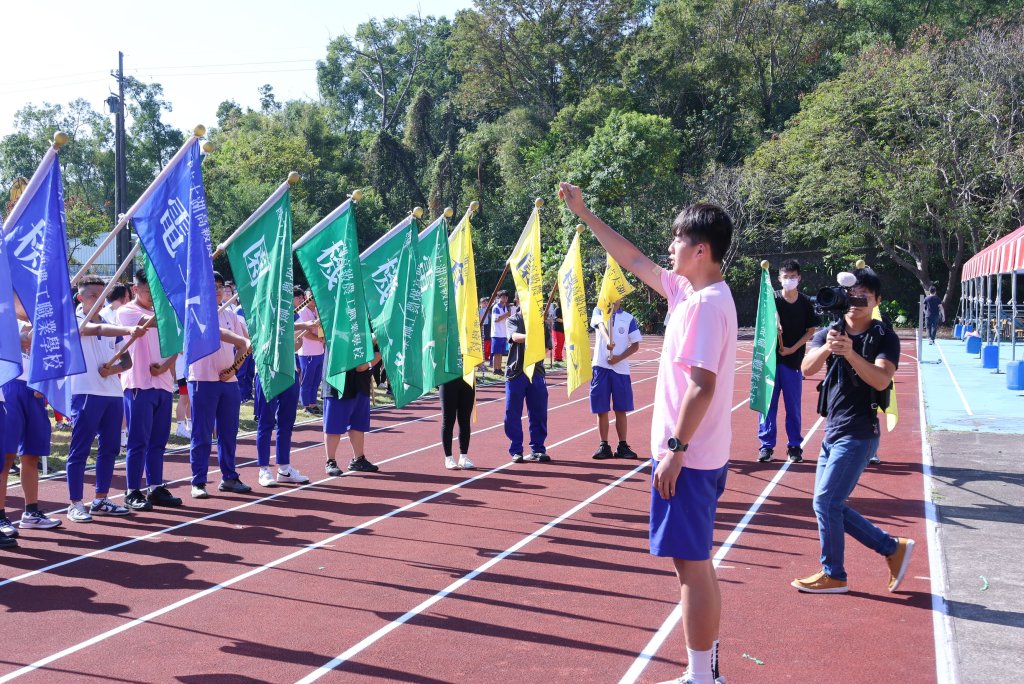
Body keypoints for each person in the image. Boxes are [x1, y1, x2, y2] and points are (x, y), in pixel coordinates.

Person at [562, 182, 736, 684]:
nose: (668, 247)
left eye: (677, 240)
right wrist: (585, 213)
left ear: (700, 249)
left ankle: (702, 676)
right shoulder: (692, 291)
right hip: (700, 454)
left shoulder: (704, 305)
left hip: (691, 457)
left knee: (692, 567)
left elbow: (701, 387)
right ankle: (705, 670)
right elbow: (634, 259)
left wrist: (675, 451)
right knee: (696, 565)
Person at [793, 267, 914, 594]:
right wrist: (829, 348)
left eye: (864, 297)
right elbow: (806, 368)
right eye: (851, 296)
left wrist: (851, 353)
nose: (855, 303)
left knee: (825, 503)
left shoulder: (883, 336)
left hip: (859, 431)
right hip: (832, 431)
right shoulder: (831, 331)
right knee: (827, 504)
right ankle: (892, 548)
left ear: (876, 301)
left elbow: (881, 379)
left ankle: (834, 574)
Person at [65, 276, 144, 522]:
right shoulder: (74, 320)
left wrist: (112, 370)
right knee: (80, 449)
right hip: (85, 392)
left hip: (111, 393)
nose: (98, 301)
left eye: (102, 296)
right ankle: (75, 503)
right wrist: (129, 329)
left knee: (110, 448)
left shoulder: (110, 320)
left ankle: (100, 498)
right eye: (92, 296)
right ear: (80, 298)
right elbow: (96, 329)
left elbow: (127, 361)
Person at [118, 269, 183, 511]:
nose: (153, 297)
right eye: (149, 292)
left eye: (157, 292)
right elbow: (143, 328)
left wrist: (166, 366)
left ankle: (155, 487)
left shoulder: (165, 312)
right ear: (135, 290)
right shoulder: (126, 312)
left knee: (158, 440)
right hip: (139, 384)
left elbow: (177, 343)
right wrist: (167, 307)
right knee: (138, 441)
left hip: (163, 384)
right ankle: (132, 490)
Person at [1, 298, 63, 537]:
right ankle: (1, 515)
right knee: (6, 456)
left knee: (31, 454)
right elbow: (24, 339)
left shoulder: (40, 321)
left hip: (34, 389)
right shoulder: (7, 319)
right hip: (10, 386)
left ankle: (32, 512)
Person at [187, 272, 251, 498]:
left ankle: (229, 477)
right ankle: (198, 481)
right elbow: (217, 334)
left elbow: (245, 346)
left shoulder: (231, 314)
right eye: (211, 286)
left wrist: (233, 369)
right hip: (202, 379)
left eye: (220, 286)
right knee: (202, 433)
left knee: (228, 432)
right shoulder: (194, 312)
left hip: (228, 382)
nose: (216, 290)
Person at [757, 259, 819, 464]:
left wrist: (793, 347)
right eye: (786, 277)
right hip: (771, 362)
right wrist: (774, 322)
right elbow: (764, 322)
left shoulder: (805, 302)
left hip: (793, 362)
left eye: (793, 277)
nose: (790, 280)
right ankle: (766, 446)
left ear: (799, 278)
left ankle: (794, 446)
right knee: (768, 406)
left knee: (793, 407)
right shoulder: (771, 299)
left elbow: (811, 330)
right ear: (779, 279)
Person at [253, 314, 319, 488]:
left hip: (288, 372)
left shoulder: (288, 313)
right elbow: (269, 330)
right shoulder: (263, 310)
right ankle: (264, 469)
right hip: (267, 373)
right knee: (266, 422)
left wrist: (296, 341)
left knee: (286, 422)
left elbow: (296, 345)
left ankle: (284, 468)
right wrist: (304, 324)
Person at [590, 299, 642, 460]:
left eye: (617, 294)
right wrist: (607, 341)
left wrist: (619, 358)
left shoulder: (628, 318)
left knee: (621, 408)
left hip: (620, 370)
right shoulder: (599, 311)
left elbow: (635, 345)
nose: (614, 298)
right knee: (601, 408)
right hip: (601, 367)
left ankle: (623, 445)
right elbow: (600, 326)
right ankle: (603, 445)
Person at [324, 344, 382, 476]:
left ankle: (358, 459)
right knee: (334, 424)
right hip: (338, 379)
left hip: (360, 382)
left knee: (357, 422)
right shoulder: (336, 324)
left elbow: (363, 365)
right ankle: (330, 461)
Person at [504, 298, 549, 464]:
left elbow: (546, 346)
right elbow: (514, 337)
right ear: (517, 301)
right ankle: (516, 450)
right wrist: (532, 336)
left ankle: (538, 448)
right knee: (512, 413)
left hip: (536, 372)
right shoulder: (512, 319)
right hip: (516, 372)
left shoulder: (540, 321)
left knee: (538, 412)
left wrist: (538, 340)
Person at [297, 291, 325, 415]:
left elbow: (322, 327)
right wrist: (319, 338)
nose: (313, 299)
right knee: (307, 380)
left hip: (319, 350)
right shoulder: (302, 311)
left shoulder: (318, 310)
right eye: (310, 296)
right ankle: (306, 405)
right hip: (307, 351)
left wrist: (323, 338)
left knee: (316, 379)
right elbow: (305, 332)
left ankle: (313, 403)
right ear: (306, 298)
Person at [440, 376, 476, 470]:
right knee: (448, 420)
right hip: (448, 379)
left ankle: (463, 457)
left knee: (465, 420)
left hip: (467, 378)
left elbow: (479, 363)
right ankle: (448, 458)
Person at [490, 291, 511, 374]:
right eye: (503, 297)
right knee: (496, 353)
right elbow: (496, 319)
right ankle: (495, 369)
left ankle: (499, 368)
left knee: (501, 353)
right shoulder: (496, 307)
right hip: (496, 333)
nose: (505, 298)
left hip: (503, 333)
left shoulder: (505, 307)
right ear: (499, 297)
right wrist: (506, 314)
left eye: (506, 297)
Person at [479, 297, 492, 368]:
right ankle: (481, 365)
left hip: (488, 332)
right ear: (480, 303)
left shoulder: (488, 311)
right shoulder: (480, 311)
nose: (486, 304)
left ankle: (483, 364)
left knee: (487, 348)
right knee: (482, 349)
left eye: (487, 303)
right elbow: (482, 323)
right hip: (482, 333)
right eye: (484, 302)